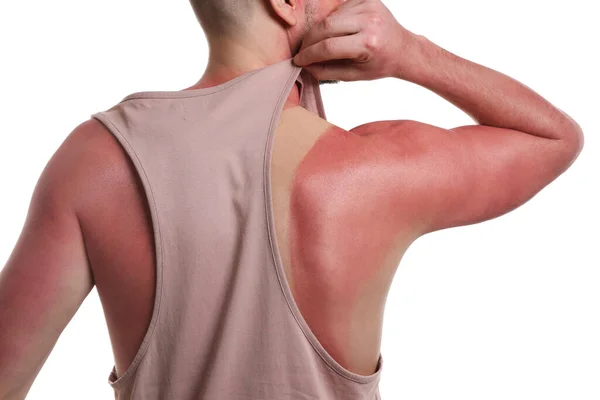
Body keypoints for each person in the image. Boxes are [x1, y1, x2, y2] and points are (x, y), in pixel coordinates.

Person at [0, 0, 584, 399]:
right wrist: (411, 53)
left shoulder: (95, 160)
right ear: (284, 2)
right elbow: (554, 138)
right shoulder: (368, 168)